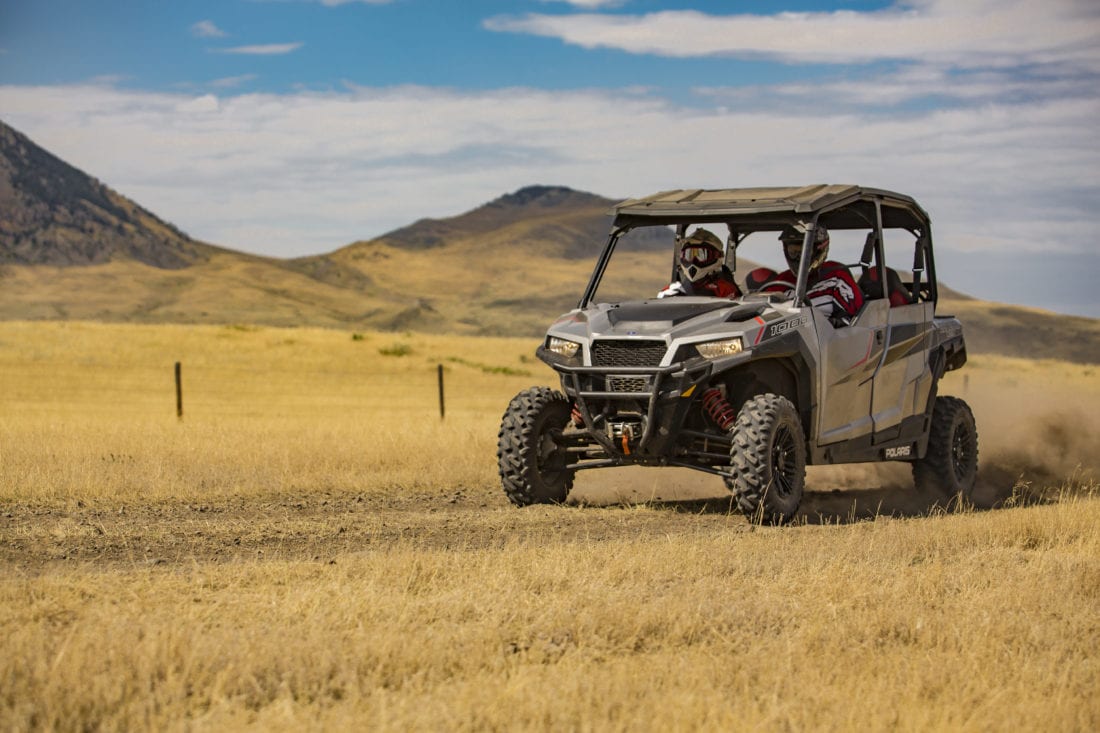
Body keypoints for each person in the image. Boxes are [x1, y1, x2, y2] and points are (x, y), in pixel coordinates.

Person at [759, 223, 863, 325]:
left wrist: (830, 324)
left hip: (824, 339)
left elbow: (856, 322)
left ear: (820, 249)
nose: (799, 258)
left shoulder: (836, 276)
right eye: (793, 252)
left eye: (805, 251)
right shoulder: (780, 282)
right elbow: (761, 317)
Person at [658, 228, 742, 299]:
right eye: (689, 255)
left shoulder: (724, 288)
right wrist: (665, 300)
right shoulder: (674, 289)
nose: (693, 261)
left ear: (716, 256)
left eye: (701, 255)